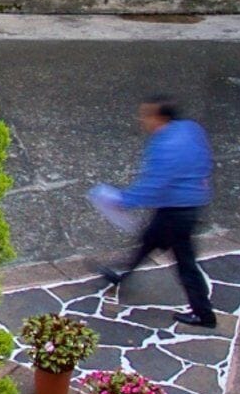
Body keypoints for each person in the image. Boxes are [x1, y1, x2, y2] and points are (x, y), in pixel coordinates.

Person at [92, 96, 217, 328]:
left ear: (161, 118)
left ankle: (204, 314)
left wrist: (124, 201)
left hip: (175, 212)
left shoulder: (165, 146)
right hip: (189, 205)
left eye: (147, 116)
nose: (143, 120)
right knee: (149, 240)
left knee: (184, 263)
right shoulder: (191, 129)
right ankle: (121, 275)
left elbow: (155, 184)